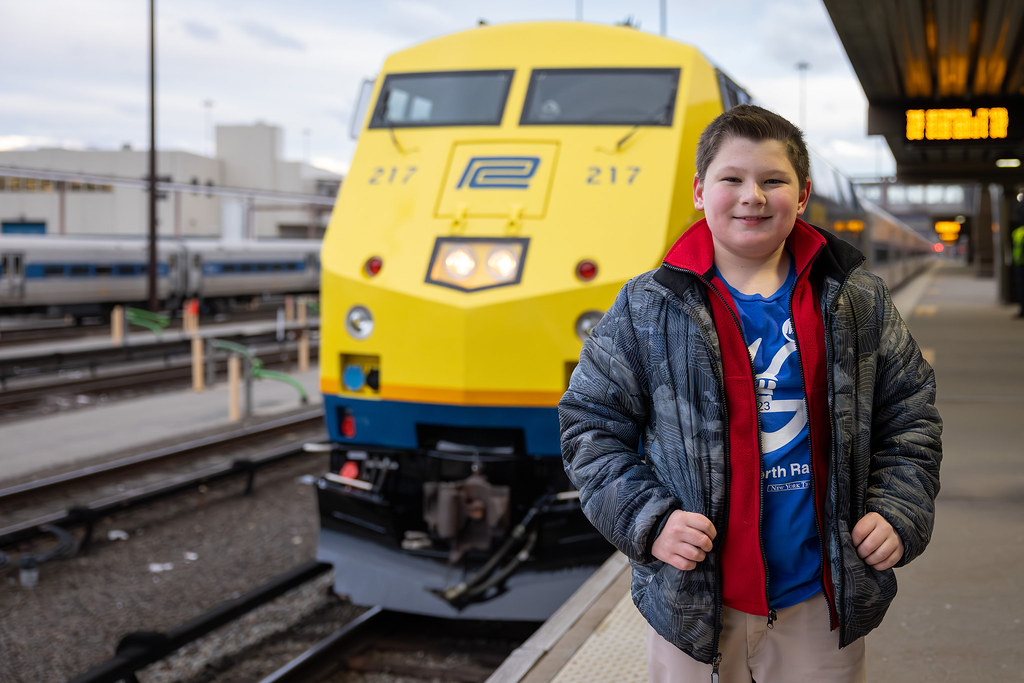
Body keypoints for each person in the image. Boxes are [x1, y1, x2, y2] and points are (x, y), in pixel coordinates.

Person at [559, 104, 942, 682]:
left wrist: (898, 509)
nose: (752, 196)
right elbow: (588, 425)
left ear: (803, 193)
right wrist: (651, 520)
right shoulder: (646, 306)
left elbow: (910, 414)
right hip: (691, 607)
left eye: (773, 180)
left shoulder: (854, 298)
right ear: (698, 190)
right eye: (731, 179)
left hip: (822, 604)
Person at [1012, 218, 1024, 318]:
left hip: (1019, 264)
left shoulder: (1017, 232)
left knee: (1021, 288)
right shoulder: (1018, 233)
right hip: (1019, 265)